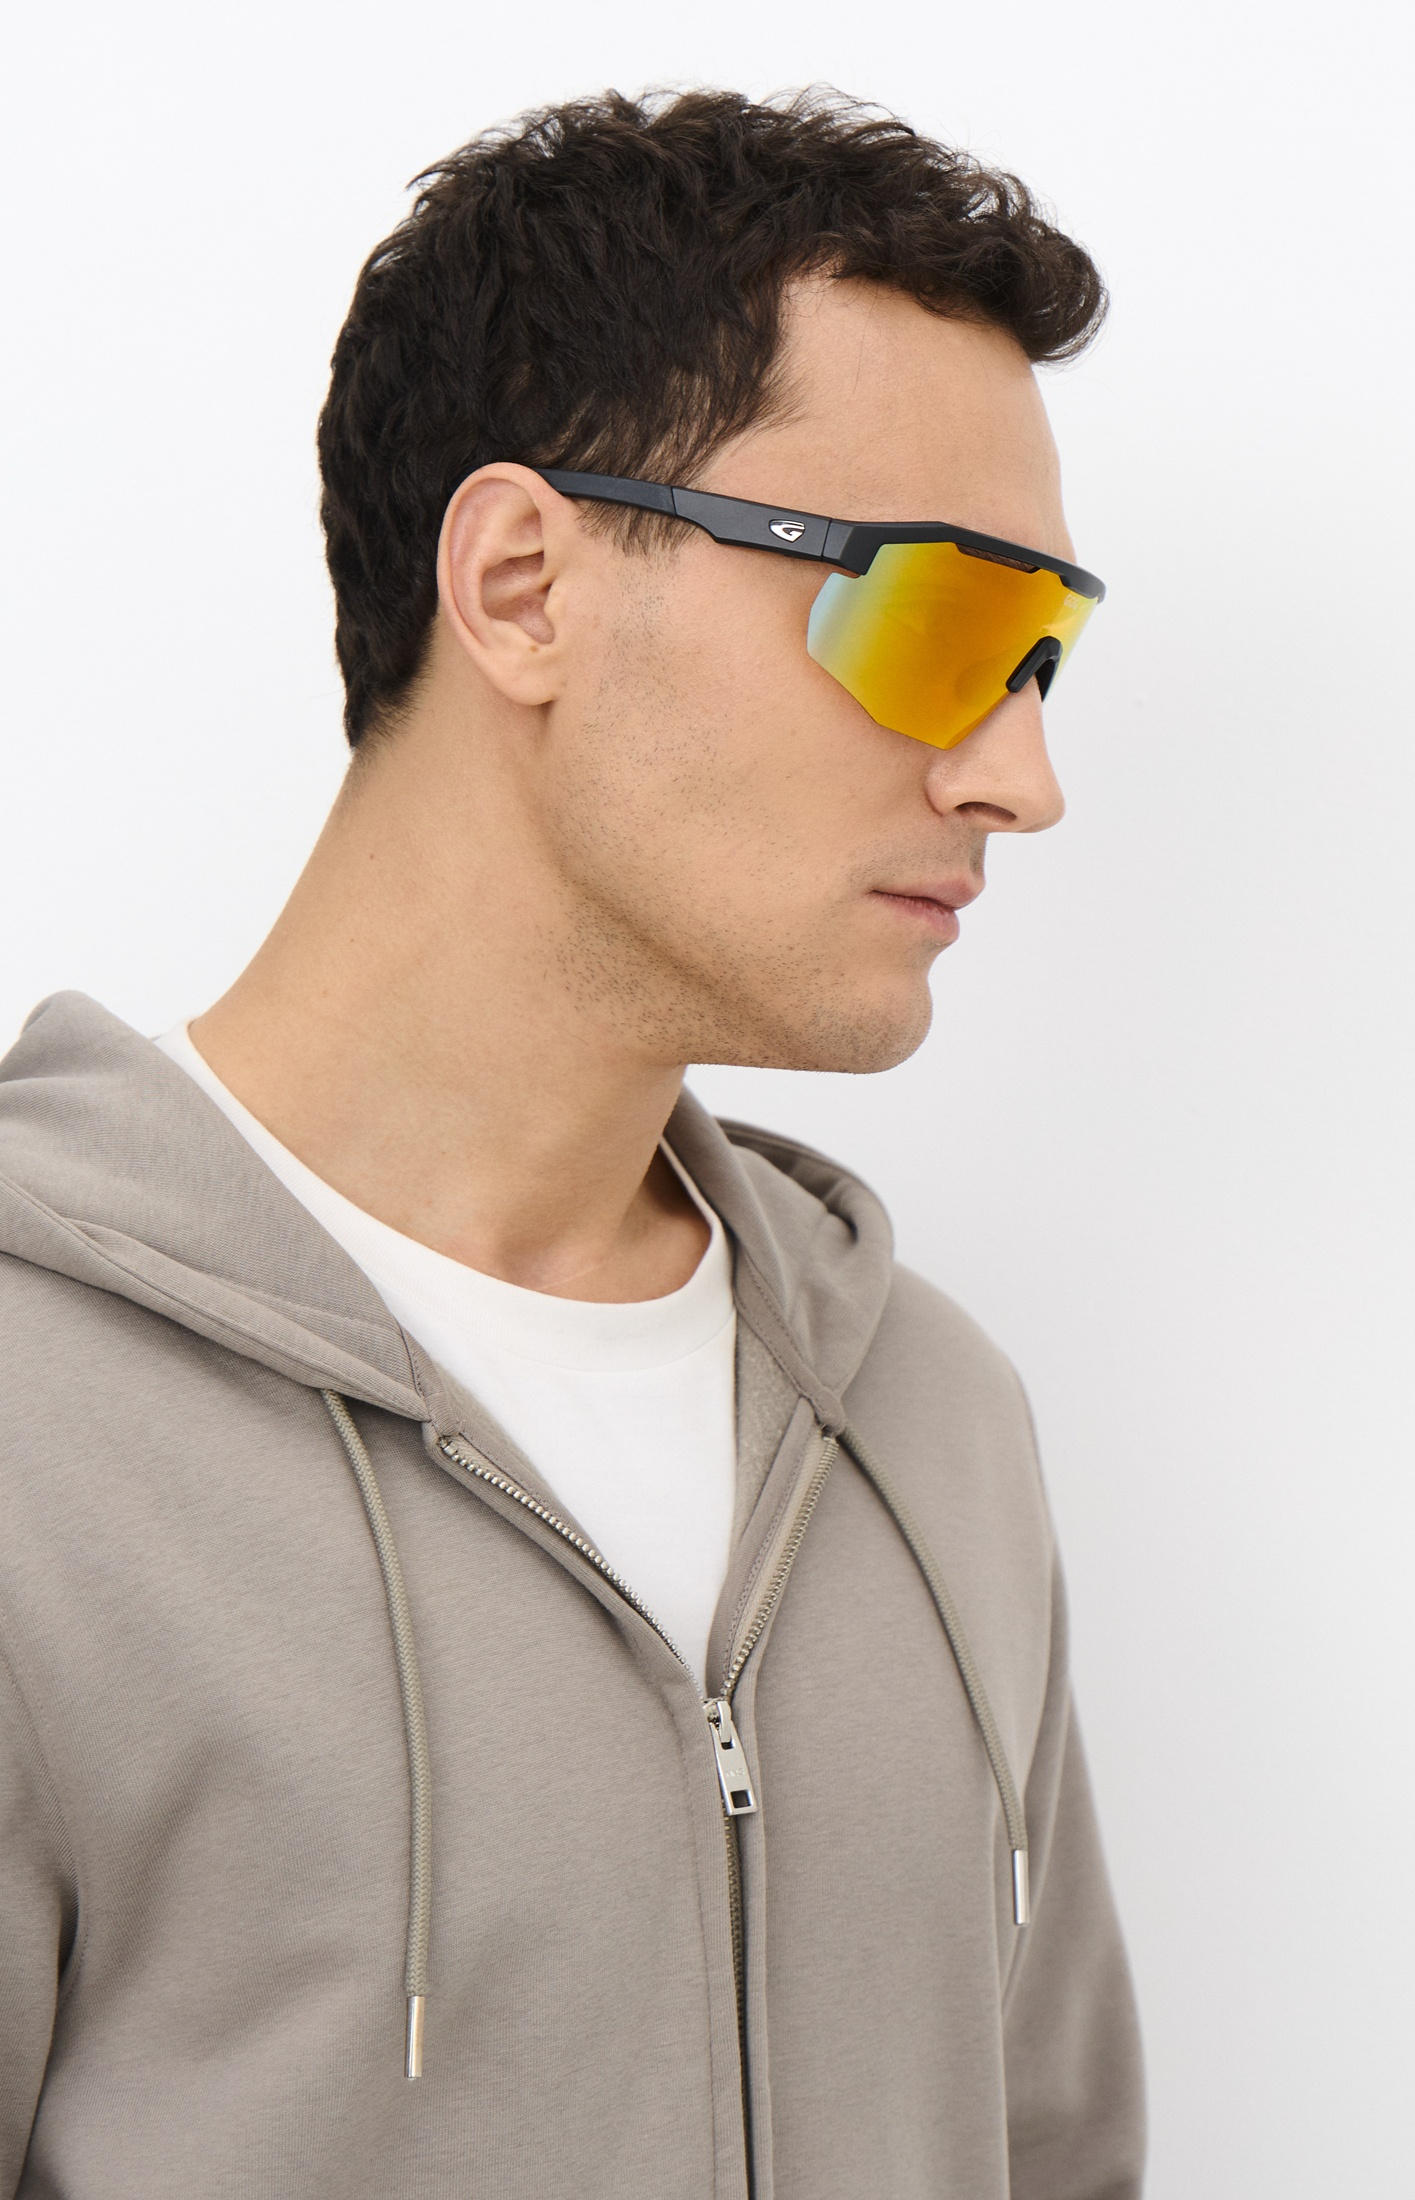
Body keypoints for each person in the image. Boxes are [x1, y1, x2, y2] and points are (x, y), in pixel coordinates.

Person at [0, 88, 1144, 2200]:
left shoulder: (934, 1421)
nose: (1022, 777)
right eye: (936, 622)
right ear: (523, 584)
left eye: (1042, 652)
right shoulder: (32, 1434)